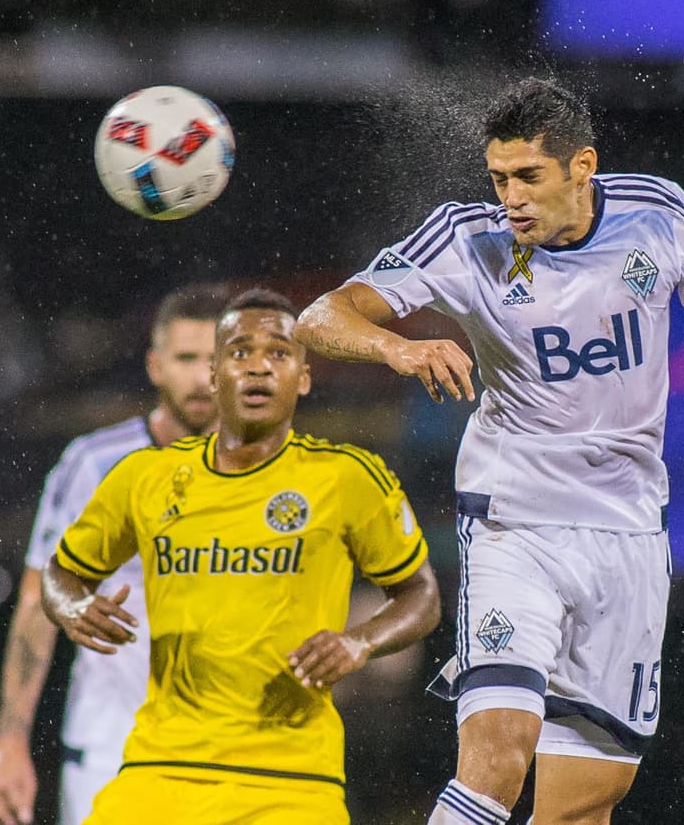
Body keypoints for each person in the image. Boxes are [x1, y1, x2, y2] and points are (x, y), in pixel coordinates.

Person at [294, 76, 684, 825]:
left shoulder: (661, 218)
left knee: (583, 804)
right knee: (497, 759)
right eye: (499, 178)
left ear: (582, 167)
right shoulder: (463, 239)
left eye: (529, 177)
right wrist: (393, 349)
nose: (511, 197)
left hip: (629, 534)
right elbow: (320, 317)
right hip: (517, 528)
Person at [41, 288, 442, 825]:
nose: (258, 368)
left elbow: (422, 595)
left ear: (303, 376)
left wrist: (359, 640)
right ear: (213, 375)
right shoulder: (146, 477)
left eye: (279, 352)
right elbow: (60, 571)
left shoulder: (346, 477)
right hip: (162, 770)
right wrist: (71, 607)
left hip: (293, 781)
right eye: (238, 352)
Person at [0, 283, 232, 825]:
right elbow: (36, 603)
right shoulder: (93, 464)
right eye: (186, 358)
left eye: (214, 359)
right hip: (113, 747)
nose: (199, 376)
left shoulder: (274, 472)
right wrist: (10, 740)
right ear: (156, 366)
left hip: (235, 756)